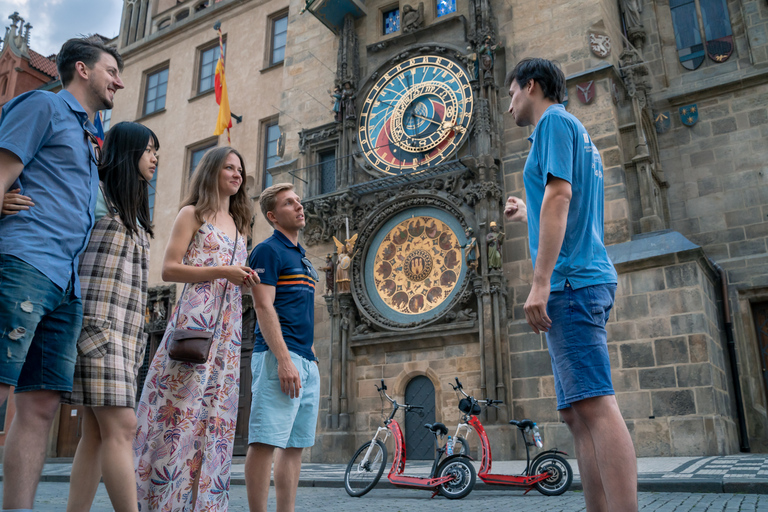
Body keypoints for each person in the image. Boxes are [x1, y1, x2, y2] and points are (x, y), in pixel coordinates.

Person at [504, 57, 638, 512]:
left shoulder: (553, 125)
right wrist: (528, 213)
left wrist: (539, 284)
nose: (510, 106)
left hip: (572, 283)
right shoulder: (576, 132)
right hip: (580, 279)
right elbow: (563, 203)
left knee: (596, 406)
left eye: (512, 94)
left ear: (533, 86)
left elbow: (561, 196)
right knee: (576, 413)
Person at [0, 37, 124, 512]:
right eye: (111, 70)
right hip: (25, 263)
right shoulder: (43, 106)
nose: (119, 80)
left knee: (40, 407)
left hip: (66, 283)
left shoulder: (92, 139)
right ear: (82, 69)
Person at [134, 147, 257, 511]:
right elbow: (169, 269)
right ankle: (161, 498)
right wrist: (222, 271)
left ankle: (203, 503)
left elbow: (230, 272)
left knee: (216, 415)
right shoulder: (193, 213)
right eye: (229, 168)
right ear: (211, 172)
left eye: (240, 168)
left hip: (229, 328)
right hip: (196, 321)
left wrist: (244, 279)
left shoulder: (240, 223)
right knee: (181, 411)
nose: (237, 174)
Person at [245, 183, 320, 512]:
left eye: (299, 201)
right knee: (265, 442)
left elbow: (301, 311)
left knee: (294, 446)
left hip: (305, 360)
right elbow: (263, 306)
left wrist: (310, 357)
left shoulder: (301, 257)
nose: (299, 206)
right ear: (273, 216)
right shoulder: (267, 251)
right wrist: (285, 360)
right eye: (290, 203)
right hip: (279, 358)